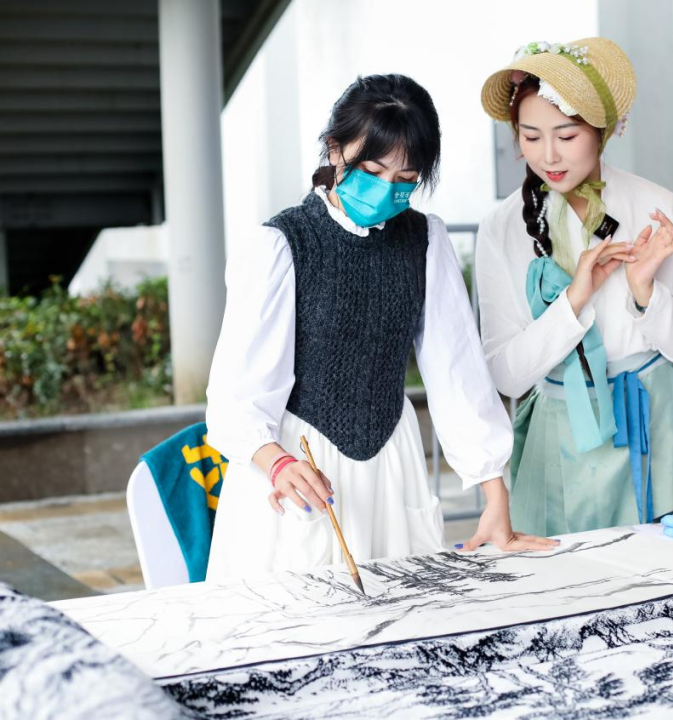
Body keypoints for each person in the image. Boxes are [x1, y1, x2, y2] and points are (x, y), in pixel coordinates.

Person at [205, 74, 555, 582]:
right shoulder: (281, 245)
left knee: (403, 610)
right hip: (296, 464)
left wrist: (494, 496)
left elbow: (457, 371)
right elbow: (236, 398)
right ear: (334, 149)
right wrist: (275, 462)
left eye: (405, 178)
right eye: (372, 170)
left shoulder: (424, 241)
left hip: (392, 461)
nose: (387, 189)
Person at [475, 39, 673, 537]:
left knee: (671, 574)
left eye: (567, 135)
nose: (548, 155)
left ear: (602, 131)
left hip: (656, 420)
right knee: (565, 578)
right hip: (559, 434)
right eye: (530, 136)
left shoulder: (658, 207)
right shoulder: (501, 228)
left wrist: (645, 291)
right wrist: (574, 300)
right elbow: (505, 375)